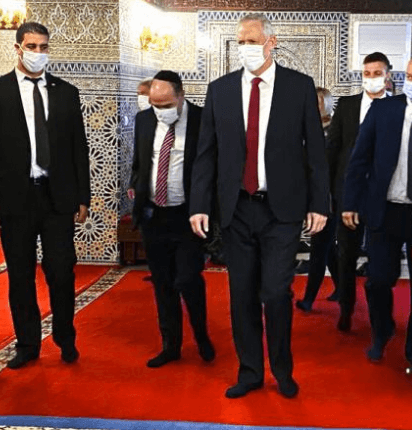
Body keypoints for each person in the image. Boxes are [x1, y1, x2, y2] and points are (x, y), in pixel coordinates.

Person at [189, 13, 329, 399]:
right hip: (236, 208)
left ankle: (282, 370)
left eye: (252, 41)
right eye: (240, 42)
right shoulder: (220, 90)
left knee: (275, 292)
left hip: (282, 210)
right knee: (242, 295)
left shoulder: (299, 87)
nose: (245, 48)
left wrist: (320, 203)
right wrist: (199, 204)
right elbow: (206, 154)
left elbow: (316, 152)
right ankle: (250, 371)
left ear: (271, 42)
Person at [0, 22, 90, 369]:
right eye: (32, 46)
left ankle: (65, 337)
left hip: (57, 199)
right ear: (17, 48)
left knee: (62, 271)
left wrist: (83, 196)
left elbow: (78, 149)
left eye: (44, 47)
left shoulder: (66, 93)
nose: (39, 53)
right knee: (21, 275)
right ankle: (27, 344)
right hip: (15, 200)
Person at [342, 54, 412, 378]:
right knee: (378, 280)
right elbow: (359, 159)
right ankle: (382, 330)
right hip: (386, 209)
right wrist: (350, 202)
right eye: (409, 76)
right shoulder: (383, 110)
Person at [129, 71, 215, 368]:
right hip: (154, 215)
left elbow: (214, 166)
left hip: (189, 215)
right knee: (162, 283)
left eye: (166, 105)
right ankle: (171, 345)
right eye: (155, 104)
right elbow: (141, 161)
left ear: (181, 96)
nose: (160, 111)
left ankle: (202, 336)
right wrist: (137, 186)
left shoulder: (203, 120)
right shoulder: (144, 120)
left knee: (188, 279)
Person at [328, 52, 392, 331]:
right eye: (367, 73)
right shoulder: (347, 105)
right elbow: (334, 150)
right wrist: (332, 195)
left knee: (381, 261)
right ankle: (346, 309)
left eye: (377, 73)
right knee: (346, 256)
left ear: (388, 76)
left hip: (384, 197)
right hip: (348, 195)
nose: (371, 78)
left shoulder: (398, 107)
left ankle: (381, 316)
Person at [296, 87, 339, 311]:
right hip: (312, 195)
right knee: (327, 247)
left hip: (330, 198)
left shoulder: (335, 130)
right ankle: (342, 288)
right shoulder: (305, 129)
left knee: (319, 249)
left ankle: (309, 299)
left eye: (319, 102)